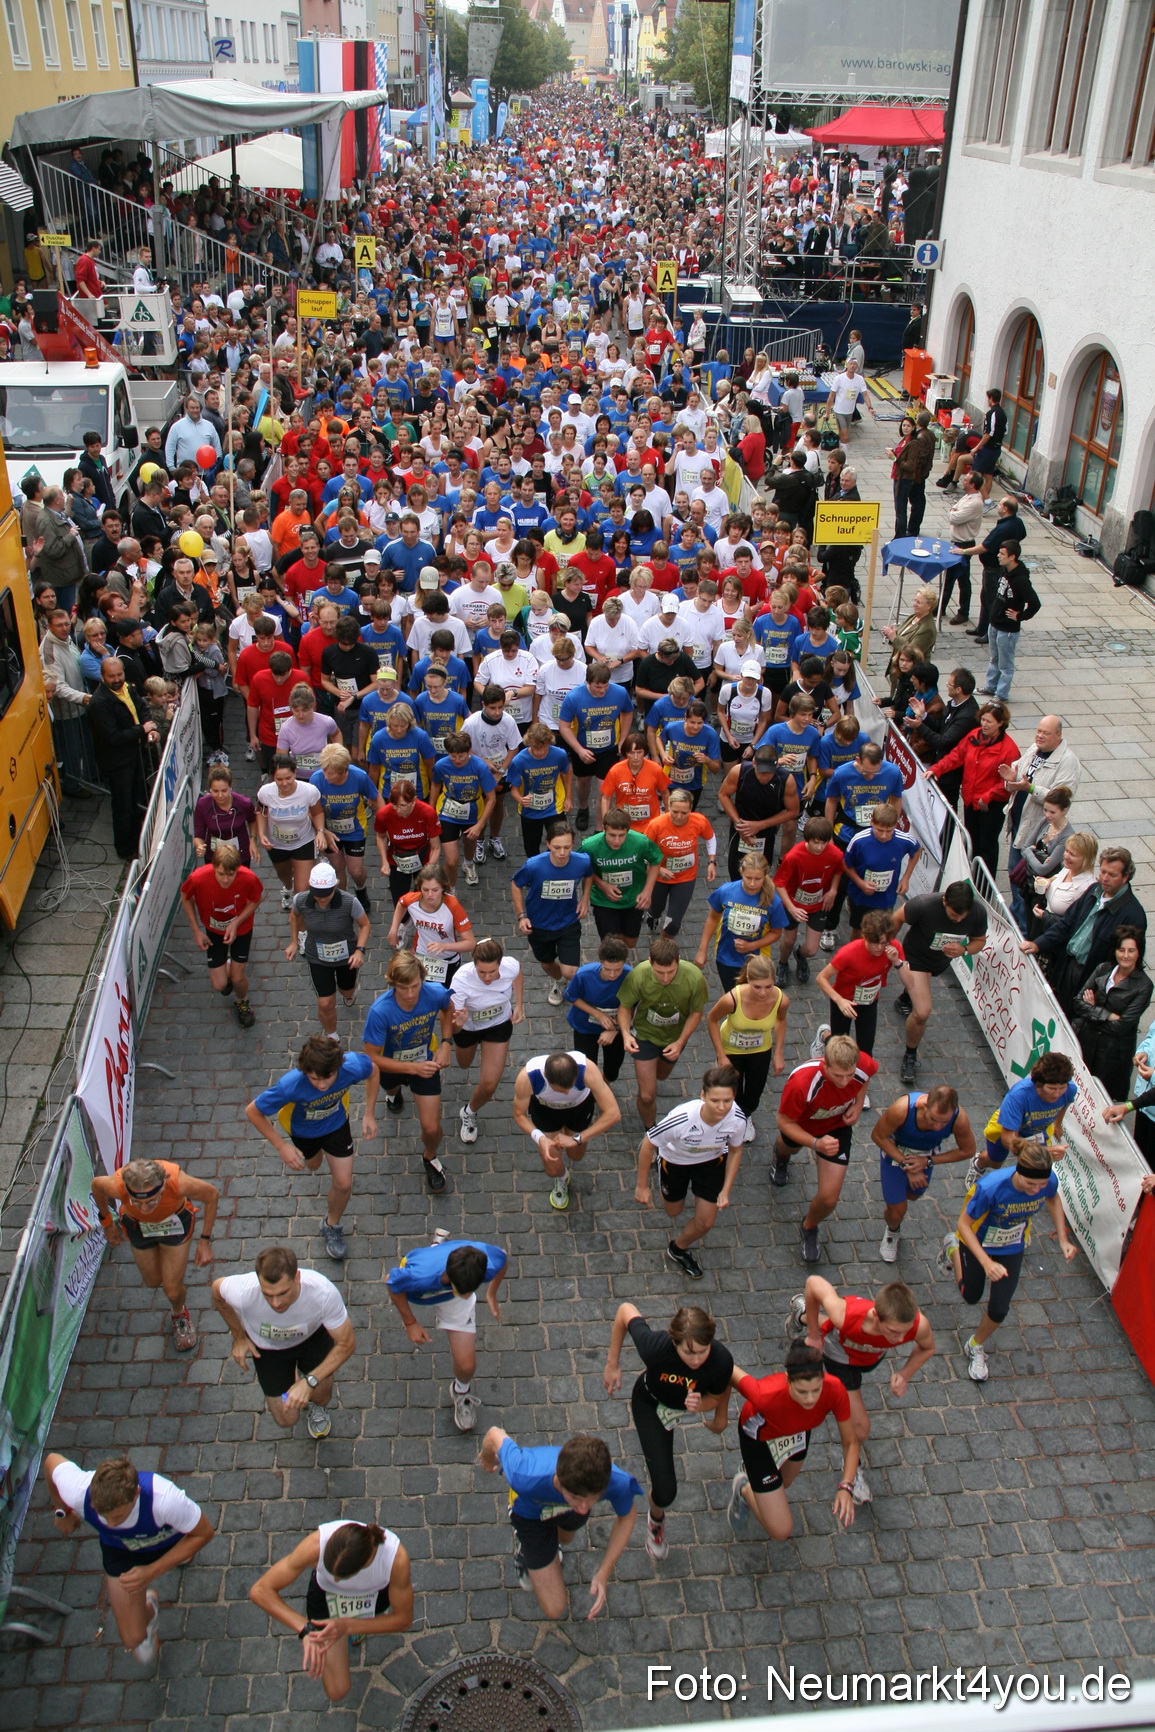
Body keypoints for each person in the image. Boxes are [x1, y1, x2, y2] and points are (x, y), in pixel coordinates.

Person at [43, 1453, 214, 1666]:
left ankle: (175, 1559)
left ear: (136, 1494)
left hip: (167, 1541)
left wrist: (151, 1571)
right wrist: (62, 1510)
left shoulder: (165, 1499)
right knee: (133, 1639)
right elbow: (51, 1462)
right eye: (103, 1515)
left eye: (119, 1517)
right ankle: (149, 1609)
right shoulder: (77, 1490)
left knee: (187, 1552)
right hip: (120, 1552)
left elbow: (204, 1533)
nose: (111, 1524)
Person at [938, 1138, 1076, 1382]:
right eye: (1030, 1184)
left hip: (1011, 1245)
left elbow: (1053, 1198)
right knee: (971, 1296)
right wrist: (985, 1262)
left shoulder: (1047, 1182)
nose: (1036, 1190)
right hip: (976, 1242)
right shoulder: (991, 1187)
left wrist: (1063, 1239)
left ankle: (975, 1345)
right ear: (1018, 1172)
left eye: (1040, 1184)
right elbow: (964, 1224)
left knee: (1000, 1307)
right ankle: (953, 1249)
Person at [602, 1303, 733, 1561]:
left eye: (702, 1352)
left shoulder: (720, 1360)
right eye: (688, 1352)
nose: (696, 1360)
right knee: (666, 1490)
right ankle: (656, 1520)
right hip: (650, 1403)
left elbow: (718, 1394)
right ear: (674, 1342)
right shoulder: (656, 1348)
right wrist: (612, 1363)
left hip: (681, 1407)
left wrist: (703, 1406)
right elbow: (625, 1311)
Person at [791, 1276, 936, 1507]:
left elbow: (927, 1347)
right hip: (840, 1357)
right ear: (876, 1316)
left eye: (904, 1332)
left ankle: (800, 1313)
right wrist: (813, 1336)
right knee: (860, 1429)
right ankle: (853, 1471)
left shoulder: (917, 1325)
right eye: (893, 1331)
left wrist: (905, 1374)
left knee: (827, 1322)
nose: (900, 1339)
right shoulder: (846, 1314)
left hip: (868, 1356)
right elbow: (812, 1283)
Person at [478, 1427, 642, 1620]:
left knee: (566, 1538)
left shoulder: (615, 1482)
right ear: (559, 1478)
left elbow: (627, 1517)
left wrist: (604, 1572)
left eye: (593, 1498)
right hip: (529, 1515)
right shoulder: (524, 1473)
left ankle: (550, 1546)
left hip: (565, 1512)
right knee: (555, 1609)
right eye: (575, 1497)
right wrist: (487, 1458)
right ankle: (527, 1549)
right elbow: (493, 1434)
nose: (583, 1508)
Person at [244, 1035, 376, 1262]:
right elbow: (253, 1111)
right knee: (313, 1164)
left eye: (328, 1077)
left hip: (336, 1125)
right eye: (314, 1079)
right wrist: (281, 1146)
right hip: (302, 1131)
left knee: (343, 1183)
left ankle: (331, 1225)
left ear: (339, 1067)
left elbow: (373, 1070)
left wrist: (369, 1113)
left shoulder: (352, 1065)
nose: (322, 1085)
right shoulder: (291, 1085)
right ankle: (318, 1154)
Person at [250, 1521, 413, 1703]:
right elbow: (260, 1590)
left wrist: (346, 1626)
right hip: (326, 1602)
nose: (335, 1579)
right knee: (338, 1691)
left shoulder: (396, 1560)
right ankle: (353, 1630)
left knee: (352, 1632)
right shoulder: (314, 1545)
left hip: (373, 1599)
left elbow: (403, 1620)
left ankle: (355, 1629)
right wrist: (306, 1629)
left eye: (342, 1577)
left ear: (365, 1563)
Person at [211, 1245, 357, 1439]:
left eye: (283, 1293)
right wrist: (238, 1337)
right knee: (286, 1418)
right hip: (268, 1351)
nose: (276, 1303)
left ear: (296, 1278)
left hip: (312, 1341)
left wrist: (310, 1381)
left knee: (321, 1395)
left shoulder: (322, 1292)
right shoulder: (243, 1291)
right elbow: (217, 1293)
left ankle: (314, 1403)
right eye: (268, 1294)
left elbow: (346, 1344)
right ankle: (293, 1382)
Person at [725, 1343, 858, 1542]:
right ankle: (744, 1486)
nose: (810, 1399)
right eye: (802, 1392)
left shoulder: (835, 1389)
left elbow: (851, 1442)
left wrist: (846, 1486)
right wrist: (720, 1415)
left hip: (797, 1432)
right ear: (788, 1381)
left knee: (784, 1482)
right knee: (781, 1531)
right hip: (759, 1438)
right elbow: (727, 1368)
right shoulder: (764, 1394)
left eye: (816, 1389)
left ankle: (759, 1483)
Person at [92, 1158, 219, 1354]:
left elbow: (211, 1194)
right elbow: (97, 1186)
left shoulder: (178, 1182)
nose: (144, 1208)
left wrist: (204, 1241)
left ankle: (179, 1313)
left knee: (172, 1290)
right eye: (136, 1202)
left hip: (175, 1225)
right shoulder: (117, 1185)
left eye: (151, 1201)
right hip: (138, 1228)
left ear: (162, 1187)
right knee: (152, 1281)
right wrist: (107, 1223)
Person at [635, 1064, 747, 1280]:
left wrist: (725, 1190)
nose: (722, 1107)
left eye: (727, 1100)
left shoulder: (737, 1119)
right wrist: (642, 1186)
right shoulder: (682, 1118)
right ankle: (663, 1178)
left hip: (712, 1162)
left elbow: (735, 1151)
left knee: (706, 1222)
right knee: (673, 1211)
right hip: (674, 1162)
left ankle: (678, 1248)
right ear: (703, 1095)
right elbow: (648, 1144)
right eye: (715, 1100)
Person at [387, 1235, 508, 1431]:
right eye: (464, 1291)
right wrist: (411, 1322)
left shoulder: (487, 1261)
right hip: (424, 1284)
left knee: (466, 1365)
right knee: (428, 1265)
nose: (468, 1295)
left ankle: (461, 1391)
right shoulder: (418, 1276)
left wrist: (491, 1294)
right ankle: (436, 1249)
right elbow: (391, 1283)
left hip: (452, 1299)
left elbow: (503, 1259)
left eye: (472, 1290)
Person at [775, 1032, 878, 1263]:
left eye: (849, 1075)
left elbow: (868, 1074)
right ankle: (780, 1156)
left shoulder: (861, 1064)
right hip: (803, 1126)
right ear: (824, 1063)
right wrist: (814, 1143)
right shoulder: (802, 1083)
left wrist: (859, 1102)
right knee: (788, 1147)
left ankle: (809, 1226)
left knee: (829, 1198)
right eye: (838, 1076)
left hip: (836, 1128)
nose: (844, 1083)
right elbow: (784, 1121)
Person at [361, 951, 455, 1193]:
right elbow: (371, 1057)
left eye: (415, 986)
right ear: (392, 984)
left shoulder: (434, 993)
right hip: (393, 1065)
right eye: (403, 988)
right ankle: (394, 1094)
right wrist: (411, 1068)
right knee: (391, 1088)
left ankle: (430, 1157)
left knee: (432, 1128)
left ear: (423, 979)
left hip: (425, 1064)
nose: (411, 994)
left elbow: (448, 1007)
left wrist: (446, 1043)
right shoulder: (380, 1011)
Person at [1023, 847, 1148, 1019]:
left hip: (1091, 978)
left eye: (1112, 875)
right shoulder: (1093, 891)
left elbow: (1127, 961)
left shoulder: (1133, 915)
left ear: (1125, 877)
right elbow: (1066, 924)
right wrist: (1038, 944)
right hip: (1068, 966)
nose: (1104, 878)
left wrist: (1101, 995)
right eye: (1103, 871)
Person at [892, 883, 989, 1084]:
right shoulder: (923, 905)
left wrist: (964, 950)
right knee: (922, 1011)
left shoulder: (978, 913)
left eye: (963, 917)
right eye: (954, 915)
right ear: (945, 901)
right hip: (916, 958)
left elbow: (979, 940)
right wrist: (888, 946)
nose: (958, 920)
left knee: (917, 992)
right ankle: (910, 1055)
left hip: (940, 962)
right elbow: (897, 918)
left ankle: (905, 997)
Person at [870, 1085, 976, 1262]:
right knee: (898, 1211)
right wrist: (907, 1165)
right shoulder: (902, 1109)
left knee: (912, 1195)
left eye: (944, 1122)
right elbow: (878, 1136)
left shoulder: (959, 1119)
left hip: (924, 1159)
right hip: (895, 1155)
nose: (937, 1127)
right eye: (933, 1119)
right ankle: (892, 1230)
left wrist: (928, 1161)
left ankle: (894, 1204)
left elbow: (968, 1150)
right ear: (923, 1105)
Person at [616, 933, 709, 1130]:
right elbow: (625, 1007)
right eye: (659, 972)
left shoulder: (694, 977)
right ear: (650, 962)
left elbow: (697, 1012)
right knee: (647, 1095)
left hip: (674, 1038)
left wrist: (680, 1041)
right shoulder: (639, 975)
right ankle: (651, 1129)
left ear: (678, 962)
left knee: (662, 1075)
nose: (665, 978)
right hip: (645, 1036)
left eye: (671, 972)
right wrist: (625, 1034)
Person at [511, 1048, 622, 1211]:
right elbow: (519, 1115)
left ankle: (571, 1139)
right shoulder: (527, 1077)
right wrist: (540, 1138)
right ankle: (562, 1178)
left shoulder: (588, 1069)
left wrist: (576, 1139)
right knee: (552, 1165)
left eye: (571, 1087)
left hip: (579, 1109)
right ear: (547, 1079)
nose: (568, 1092)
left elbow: (613, 1113)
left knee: (576, 1155)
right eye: (561, 1090)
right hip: (545, 1112)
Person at [179, 845, 262, 1029]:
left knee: (238, 979)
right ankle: (229, 967)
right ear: (213, 867)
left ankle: (242, 1002)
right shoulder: (198, 878)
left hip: (241, 930)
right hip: (213, 932)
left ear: (238, 869)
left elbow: (256, 899)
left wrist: (236, 923)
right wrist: (196, 930)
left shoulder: (248, 878)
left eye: (231, 874)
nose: (225, 880)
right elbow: (185, 896)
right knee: (219, 985)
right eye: (221, 874)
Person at [450, 937, 524, 1143]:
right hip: (468, 1028)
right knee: (464, 1064)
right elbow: (451, 1024)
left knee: (490, 1084)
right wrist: (460, 1022)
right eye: (482, 972)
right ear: (474, 965)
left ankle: (469, 1111)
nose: (488, 977)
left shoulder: (509, 966)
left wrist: (519, 1005)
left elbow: (518, 972)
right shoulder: (461, 980)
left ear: (500, 964)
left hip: (498, 1025)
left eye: (493, 972)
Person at [511, 818, 592, 1005]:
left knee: (570, 971)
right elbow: (516, 884)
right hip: (539, 924)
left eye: (567, 847)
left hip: (568, 921)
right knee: (547, 964)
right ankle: (558, 982)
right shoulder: (534, 865)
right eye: (557, 847)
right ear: (548, 844)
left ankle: (571, 983)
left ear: (573, 844)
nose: (562, 853)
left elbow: (589, 874)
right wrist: (521, 916)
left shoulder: (582, 861)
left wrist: (585, 898)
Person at [706, 954, 788, 1139]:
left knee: (753, 1093)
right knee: (731, 1090)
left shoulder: (780, 1000)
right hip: (731, 1049)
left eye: (768, 986)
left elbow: (781, 1021)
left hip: (760, 1050)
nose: (762, 993)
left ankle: (746, 1115)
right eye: (757, 987)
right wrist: (721, 1055)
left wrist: (779, 1052)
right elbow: (711, 1019)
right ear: (748, 979)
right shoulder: (732, 999)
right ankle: (730, 1120)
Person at [815, 908, 913, 1059]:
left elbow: (910, 984)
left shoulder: (894, 948)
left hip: (869, 1002)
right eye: (875, 943)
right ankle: (824, 1037)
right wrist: (839, 1001)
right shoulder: (848, 953)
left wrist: (897, 962)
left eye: (884, 943)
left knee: (866, 1052)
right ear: (866, 937)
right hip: (844, 1002)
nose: (880, 948)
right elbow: (821, 978)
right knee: (838, 1048)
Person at [288, 860, 371, 1035]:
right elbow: (294, 916)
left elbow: (365, 925)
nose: (322, 899)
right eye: (317, 894)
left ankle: (349, 991)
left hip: (346, 956)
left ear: (335, 887)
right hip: (317, 958)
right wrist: (294, 941)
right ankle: (332, 1035)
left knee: (346, 991)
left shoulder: (349, 902)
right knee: (325, 1002)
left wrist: (359, 950)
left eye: (326, 894)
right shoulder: (301, 900)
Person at [87, 659, 159, 860]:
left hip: (135, 754)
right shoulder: (99, 703)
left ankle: (139, 838)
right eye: (112, 676)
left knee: (137, 798)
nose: (117, 680)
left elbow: (141, 708)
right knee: (123, 806)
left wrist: (149, 726)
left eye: (120, 675)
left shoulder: (128, 688)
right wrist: (141, 730)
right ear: (103, 676)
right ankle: (125, 848)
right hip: (117, 762)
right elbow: (113, 736)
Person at [1071, 928, 1152, 1103]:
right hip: (1086, 1041)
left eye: (1131, 951)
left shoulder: (1144, 985)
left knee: (1101, 1099)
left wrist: (1092, 1010)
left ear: (1139, 953)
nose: (1126, 955)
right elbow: (1078, 1002)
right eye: (1121, 950)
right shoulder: (1103, 969)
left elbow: (1122, 1026)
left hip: (1112, 1053)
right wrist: (1106, 1015)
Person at [557, 661, 636, 829]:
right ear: (588, 683)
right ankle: (583, 808)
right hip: (583, 748)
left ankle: (600, 828)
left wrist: (623, 740)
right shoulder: (574, 697)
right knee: (584, 782)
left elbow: (628, 712)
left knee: (604, 791)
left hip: (609, 749)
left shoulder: (620, 693)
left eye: (605, 686)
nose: (602, 691)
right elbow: (563, 726)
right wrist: (579, 750)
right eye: (598, 687)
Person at [310, 743, 383, 913]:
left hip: (355, 830)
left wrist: (384, 825)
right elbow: (311, 811)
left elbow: (376, 798)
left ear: (343, 771)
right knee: (337, 868)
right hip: (330, 831)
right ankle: (341, 901)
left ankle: (360, 889)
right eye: (324, 771)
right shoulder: (316, 779)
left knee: (356, 871)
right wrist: (323, 831)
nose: (325, 776)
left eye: (330, 773)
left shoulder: (359, 777)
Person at [978, 1053, 1077, 1178]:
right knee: (995, 1162)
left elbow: (1065, 1103)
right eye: (1052, 1088)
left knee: (1038, 1164)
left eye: (1062, 1088)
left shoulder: (1070, 1089)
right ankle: (978, 1163)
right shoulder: (1018, 1096)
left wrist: (1057, 1123)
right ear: (1039, 1084)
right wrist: (1042, 1151)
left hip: (1035, 1132)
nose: (1057, 1094)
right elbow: (1008, 1138)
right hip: (1005, 1127)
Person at [773, 817, 845, 984]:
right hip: (793, 904)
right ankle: (782, 964)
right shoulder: (793, 856)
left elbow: (838, 870)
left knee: (812, 950)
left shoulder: (834, 854)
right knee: (789, 940)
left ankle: (800, 955)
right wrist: (791, 908)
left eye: (824, 843)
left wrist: (833, 890)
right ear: (807, 839)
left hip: (819, 905)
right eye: (816, 843)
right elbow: (779, 884)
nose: (820, 847)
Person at [582, 808, 664, 947]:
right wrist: (602, 885)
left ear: (628, 830)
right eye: (612, 835)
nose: (617, 841)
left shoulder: (640, 842)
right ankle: (614, 966)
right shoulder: (589, 846)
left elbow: (656, 860)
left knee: (630, 943)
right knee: (613, 945)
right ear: (603, 829)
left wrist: (647, 891)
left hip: (632, 899)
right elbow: (583, 869)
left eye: (622, 835)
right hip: (604, 900)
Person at [256, 752, 328, 908]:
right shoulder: (265, 793)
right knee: (284, 874)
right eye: (279, 779)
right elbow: (261, 812)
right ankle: (287, 887)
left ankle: (300, 928)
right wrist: (261, 834)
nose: (284, 783)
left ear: (295, 772)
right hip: (277, 844)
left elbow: (317, 812)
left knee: (302, 891)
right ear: (272, 777)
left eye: (288, 778)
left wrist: (321, 832)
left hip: (304, 841)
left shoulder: (309, 791)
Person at [430, 729, 497, 888]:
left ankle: (468, 863)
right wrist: (431, 811)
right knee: (452, 861)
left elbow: (492, 798)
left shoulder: (480, 767)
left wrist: (480, 825)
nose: (457, 760)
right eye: (453, 756)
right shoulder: (441, 765)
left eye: (461, 756)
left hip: (473, 812)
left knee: (469, 844)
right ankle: (450, 891)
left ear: (469, 752)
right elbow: (435, 784)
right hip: (448, 812)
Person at [565, 936, 632, 1083]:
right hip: (585, 1028)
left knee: (613, 1068)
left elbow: (633, 1006)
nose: (613, 975)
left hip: (616, 1029)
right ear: (600, 960)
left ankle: (605, 1082)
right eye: (608, 969)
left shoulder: (630, 976)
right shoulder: (584, 974)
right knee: (585, 1068)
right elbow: (572, 997)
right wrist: (598, 1014)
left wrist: (615, 1029)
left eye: (618, 969)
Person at [983, 541, 1039, 701]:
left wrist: (1020, 616)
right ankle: (990, 687)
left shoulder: (1021, 580)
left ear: (1012, 557)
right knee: (994, 659)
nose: (998, 556)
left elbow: (1035, 603)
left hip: (1007, 629)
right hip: (995, 623)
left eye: (1002, 554)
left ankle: (1001, 695)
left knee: (1005, 665)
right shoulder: (1004, 570)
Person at [506, 721, 573, 857]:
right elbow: (514, 789)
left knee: (558, 843)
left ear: (549, 742)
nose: (539, 752)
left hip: (555, 807)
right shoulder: (519, 761)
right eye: (535, 748)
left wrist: (569, 797)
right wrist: (521, 799)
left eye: (543, 748)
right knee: (531, 850)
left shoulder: (559, 755)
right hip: (530, 810)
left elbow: (567, 771)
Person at [374, 778, 442, 905]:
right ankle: (403, 923)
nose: (398, 810)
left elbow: (436, 847)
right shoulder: (384, 814)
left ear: (414, 801)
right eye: (394, 805)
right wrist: (384, 862)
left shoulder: (427, 812)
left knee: (424, 897)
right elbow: (381, 837)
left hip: (422, 856)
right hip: (397, 858)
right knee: (400, 899)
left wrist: (429, 869)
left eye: (403, 805)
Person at [193, 765, 259, 867]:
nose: (220, 795)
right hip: (214, 856)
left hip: (240, 854)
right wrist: (200, 846)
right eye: (215, 791)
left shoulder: (244, 803)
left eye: (224, 790)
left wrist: (253, 840)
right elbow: (198, 835)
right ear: (210, 789)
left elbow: (253, 820)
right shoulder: (203, 805)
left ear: (230, 786)